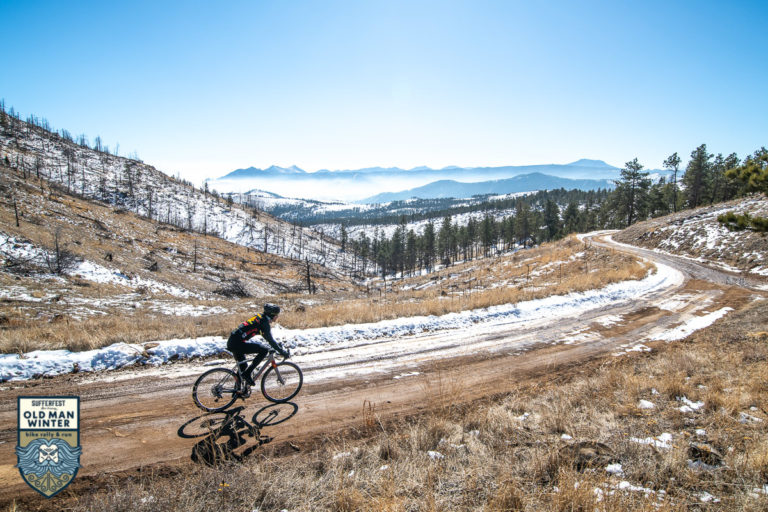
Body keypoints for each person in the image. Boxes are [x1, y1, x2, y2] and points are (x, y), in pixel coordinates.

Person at [227, 303, 290, 388]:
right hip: (236, 343)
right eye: (276, 315)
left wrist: (276, 346)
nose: (277, 317)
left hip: (233, 341)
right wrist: (282, 352)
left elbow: (267, 338)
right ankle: (248, 373)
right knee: (263, 350)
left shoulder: (260, 318)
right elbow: (270, 340)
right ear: (272, 315)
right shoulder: (264, 323)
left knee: (243, 366)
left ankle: (237, 391)